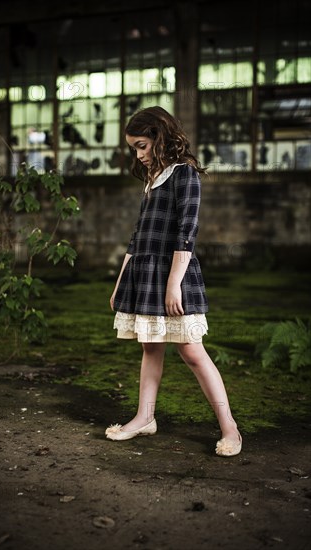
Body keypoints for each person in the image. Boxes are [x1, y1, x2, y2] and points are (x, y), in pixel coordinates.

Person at [105, 106, 242, 457]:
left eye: (141, 146)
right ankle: (144, 417)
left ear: (159, 137)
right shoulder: (152, 180)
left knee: (192, 351)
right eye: (134, 148)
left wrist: (173, 283)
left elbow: (188, 231)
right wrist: (121, 283)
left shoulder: (185, 175)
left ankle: (230, 429)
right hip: (145, 274)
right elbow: (138, 237)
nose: (138, 154)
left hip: (174, 275)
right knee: (150, 347)